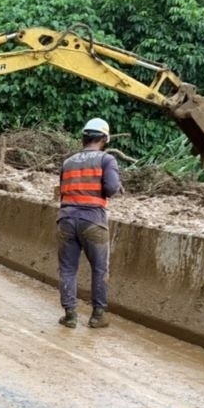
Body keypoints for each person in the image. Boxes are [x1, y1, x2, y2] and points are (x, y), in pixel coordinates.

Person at [57, 117, 122, 329]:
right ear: (104, 139)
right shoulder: (107, 160)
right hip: (93, 220)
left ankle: (70, 316)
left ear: (84, 137)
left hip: (66, 219)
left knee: (67, 269)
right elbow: (111, 188)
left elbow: (62, 189)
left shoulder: (68, 162)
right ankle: (97, 316)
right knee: (100, 269)